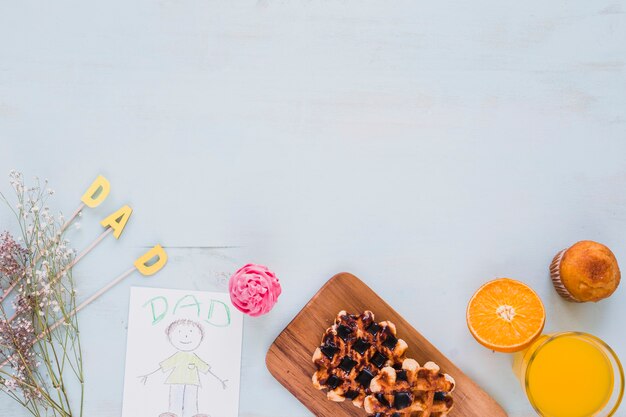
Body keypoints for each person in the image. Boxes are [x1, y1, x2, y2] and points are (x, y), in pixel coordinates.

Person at [139, 319, 227, 417]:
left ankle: (191, 414)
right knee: (175, 400)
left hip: (192, 382)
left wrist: (220, 380)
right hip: (176, 381)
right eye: (180, 332)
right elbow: (164, 366)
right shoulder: (177, 356)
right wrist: (148, 375)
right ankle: (174, 414)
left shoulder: (194, 358)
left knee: (191, 401)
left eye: (191, 332)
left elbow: (206, 369)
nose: (186, 336)